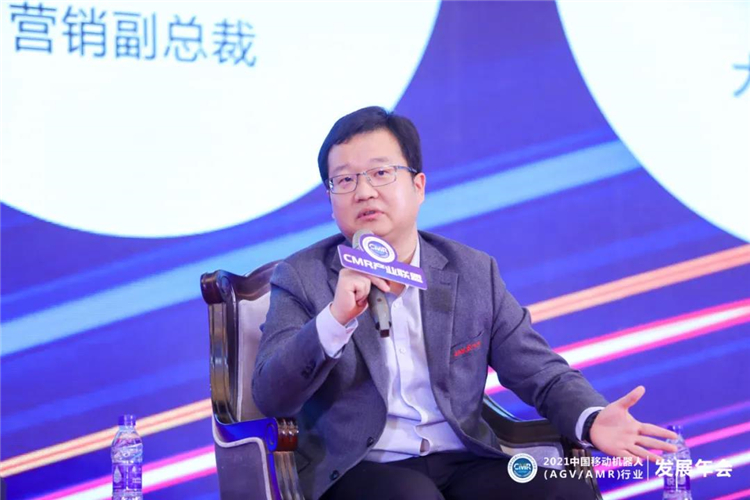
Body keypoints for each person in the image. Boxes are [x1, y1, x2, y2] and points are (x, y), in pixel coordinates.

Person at [252, 106, 677, 500]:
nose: (363, 191)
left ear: (418, 186)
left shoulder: (471, 272)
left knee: (567, 491)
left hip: (463, 460)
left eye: (380, 173)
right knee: (413, 495)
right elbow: (271, 396)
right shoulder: (303, 276)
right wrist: (334, 320)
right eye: (344, 180)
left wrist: (591, 417)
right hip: (358, 469)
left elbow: (539, 371)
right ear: (331, 202)